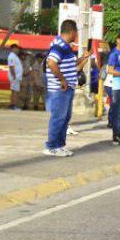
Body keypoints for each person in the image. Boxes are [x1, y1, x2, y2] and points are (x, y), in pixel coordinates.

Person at [43, 20, 91, 157]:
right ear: (71, 32)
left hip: (67, 87)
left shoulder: (65, 46)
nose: (76, 35)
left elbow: (69, 64)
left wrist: (83, 57)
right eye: (76, 32)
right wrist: (62, 79)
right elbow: (51, 62)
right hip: (60, 88)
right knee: (58, 117)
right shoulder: (59, 46)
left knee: (65, 117)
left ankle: (60, 145)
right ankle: (51, 146)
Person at [7, 43, 25, 111]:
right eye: (17, 48)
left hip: (16, 77)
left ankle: (12, 105)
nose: (18, 50)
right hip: (15, 77)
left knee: (14, 91)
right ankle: (14, 106)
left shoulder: (15, 56)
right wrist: (14, 76)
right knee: (15, 92)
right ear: (13, 49)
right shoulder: (11, 56)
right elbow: (11, 66)